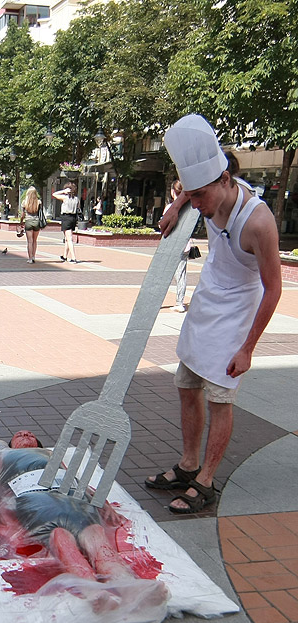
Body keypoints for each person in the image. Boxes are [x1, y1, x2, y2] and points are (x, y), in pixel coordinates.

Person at [146, 113, 281, 514]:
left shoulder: (259, 222)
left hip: (239, 311)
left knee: (221, 397)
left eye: (201, 195)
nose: (198, 205)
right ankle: (189, 464)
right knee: (186, 384)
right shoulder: (204, 193)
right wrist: (177, 203)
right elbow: (193, 192)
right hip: (207, 301)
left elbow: (273, 290)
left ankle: (206, 481)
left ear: (225, 180)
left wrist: (248, 348)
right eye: (193, 195)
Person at [165, 179, 195, 313]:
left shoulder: (170, 208)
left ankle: (176, 302)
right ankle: (180, 302)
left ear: (173, 192)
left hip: (172, 246)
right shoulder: (190, 209)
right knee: (181, 274)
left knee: (165, 273)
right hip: (185, 245)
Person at [52, 181, 80, 263]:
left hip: (66, 217)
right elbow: (78, 208)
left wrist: (63, 191)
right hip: (73, 218)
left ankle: (74, 258)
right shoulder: (76, 199)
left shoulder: (65, 198)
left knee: (69, 239)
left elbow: (54, 194)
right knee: (67, 238)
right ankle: (64, 256)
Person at [19, 186, 43, 264]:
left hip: (28, 221)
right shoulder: (39, 202)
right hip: (37, 221)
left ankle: (30, 258)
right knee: (35, 241)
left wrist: (21, 222)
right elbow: (40, 213)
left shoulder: (24, 202)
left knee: (30, 241)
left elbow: (22, 214)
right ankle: (34, 256)